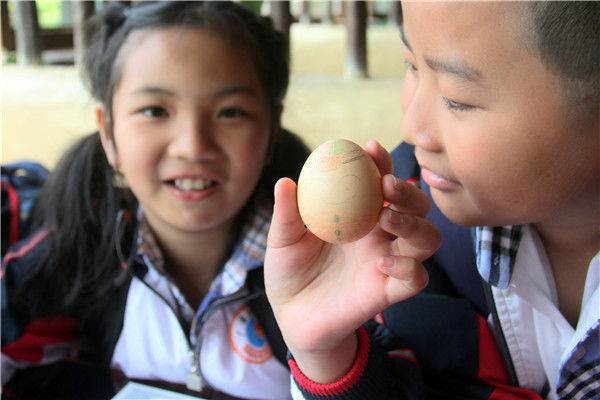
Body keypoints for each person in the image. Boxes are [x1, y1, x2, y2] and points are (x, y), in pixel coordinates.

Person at [264, 2, 599, 399]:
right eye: (411, 65)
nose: (411, 127)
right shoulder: (402, 239)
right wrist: (328, 357)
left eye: (458, 99)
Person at [1, 1, 310, 399]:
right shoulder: (70, 254)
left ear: (271, 128)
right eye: (154, 110)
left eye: (230, 112)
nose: (192, 146)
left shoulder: (317, 262)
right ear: (108, 133)